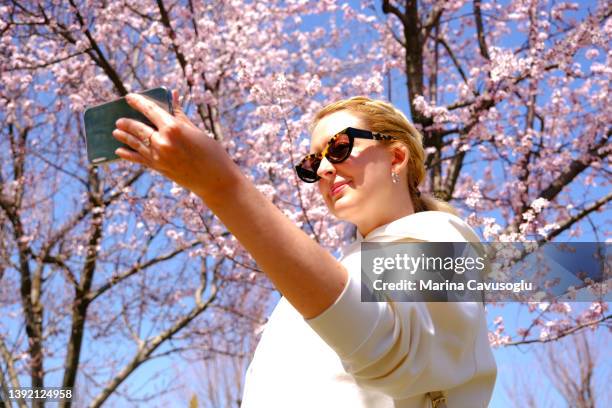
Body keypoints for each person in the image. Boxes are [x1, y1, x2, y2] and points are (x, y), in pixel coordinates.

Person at [112, 92, 497, 407]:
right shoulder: (334, 274)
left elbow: (388, 351)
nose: (325, 169)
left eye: (340, 147)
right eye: (313, 163)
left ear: (396, 156)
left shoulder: (446, 238)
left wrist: (223, 187)